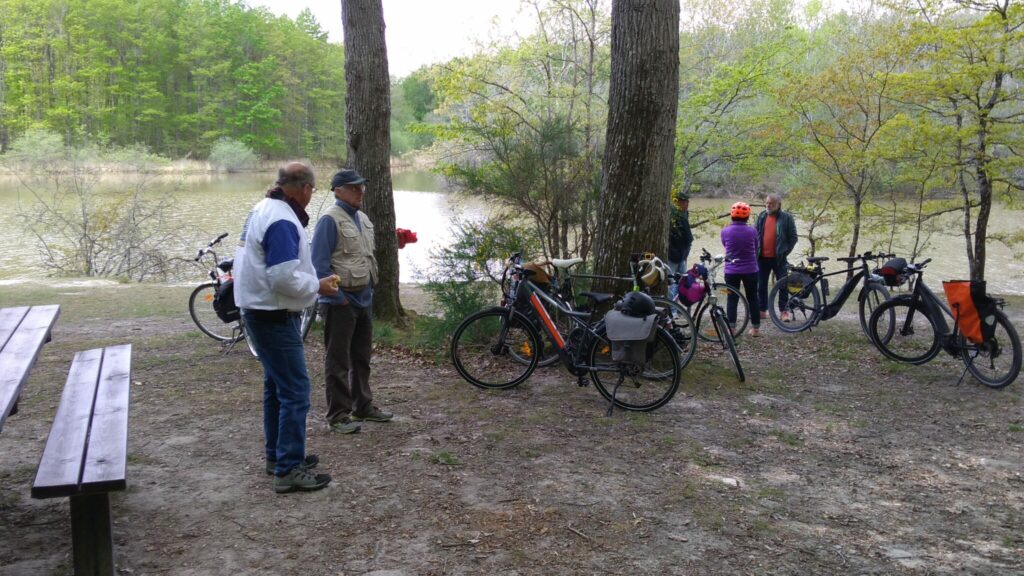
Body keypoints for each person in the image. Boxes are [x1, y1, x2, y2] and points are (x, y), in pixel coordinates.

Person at [234, 162, 339, 494]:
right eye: (312, 190)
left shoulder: (264, 208)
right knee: (295, 390)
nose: (311, 196)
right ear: (303, 188)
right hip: (272, 314)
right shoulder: (280, 219)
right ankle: (288, 468)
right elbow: (281, 275)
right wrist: (317, 285)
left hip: (261, 309)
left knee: (276, 387)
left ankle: (277, 456)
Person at [311, 169, 393, 435]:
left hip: (363, 298)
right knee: (338, 361)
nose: (361, 192)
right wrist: (339, 299)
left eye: (361, 187)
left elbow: (366, 258)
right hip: (340, 302)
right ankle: (337, 414)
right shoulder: (328, 221)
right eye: (354, 188)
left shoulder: (363, 219)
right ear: (338, 190)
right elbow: (319, 266)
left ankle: (363, 405)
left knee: (362, 357)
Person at [755, 193, 798, 322]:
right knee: (761, 285)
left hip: (779, 258)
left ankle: (784, 311)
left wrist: (784, 252)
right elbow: (756, 234)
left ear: (778, 205)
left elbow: (793, 238)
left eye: (771, 204)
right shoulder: (762, 216)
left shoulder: (787, 218)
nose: (768, 205)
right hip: (762, 258)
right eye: (767, 203)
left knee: (783, 285)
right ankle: (762, 311)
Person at [720, 202, 761, 337]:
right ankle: (755, 329)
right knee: (753, 298)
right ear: (747, 217)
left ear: (732, 215)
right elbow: (756, 248)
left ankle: (731, 328)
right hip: (751, 269)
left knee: (732, 299)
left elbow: (725, 246)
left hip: (731, 271)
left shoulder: (725, 231)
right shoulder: (753, 231)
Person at [667, 191, 694, 300]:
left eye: (687, 201)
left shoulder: (684, 214)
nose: (686, 204)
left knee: (681, 282)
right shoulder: (674, 215)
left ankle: (677, 309)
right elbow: (688, 237)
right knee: (672, 283)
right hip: (673, 256)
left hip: (682, 255)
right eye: (683, 201)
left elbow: (688, 238)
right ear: (676, 202)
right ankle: (672, 310)